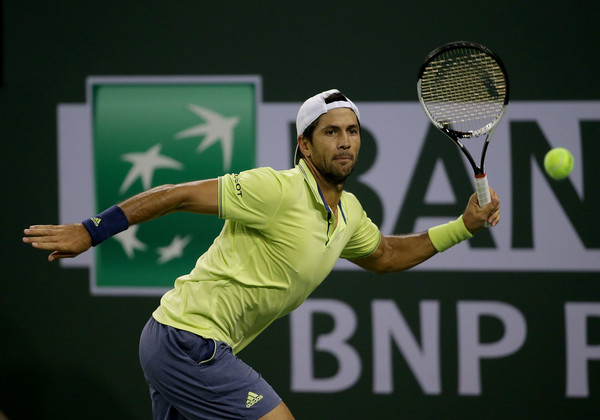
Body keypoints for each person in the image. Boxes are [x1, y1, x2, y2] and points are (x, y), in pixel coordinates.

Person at [23, 89, 500, 419]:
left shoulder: (350, 213)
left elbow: (386, 255)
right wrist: (91, 231)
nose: (346, 141)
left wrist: (463, 227)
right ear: (305, 144)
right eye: (331, 132)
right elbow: (176, 193)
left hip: (178, 343)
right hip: (187, 341)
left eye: (352, 131)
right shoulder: (276, 188)